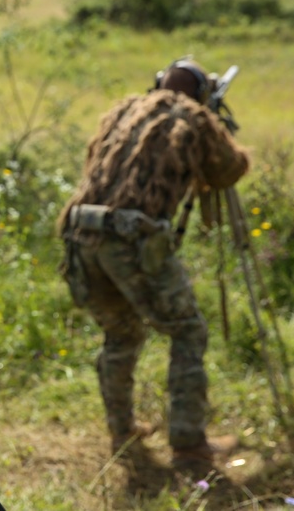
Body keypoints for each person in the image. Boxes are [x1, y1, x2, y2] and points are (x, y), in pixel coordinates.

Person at [57, 57, 250, 472]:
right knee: (186, 330)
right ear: (201, 96)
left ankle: (121, 430)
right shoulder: (194, 119)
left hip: (81, 233)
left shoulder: (125, 111)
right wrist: (218, 128)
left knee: (120, 332)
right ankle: (188, 444)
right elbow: (230, 170)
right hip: (132, 239)